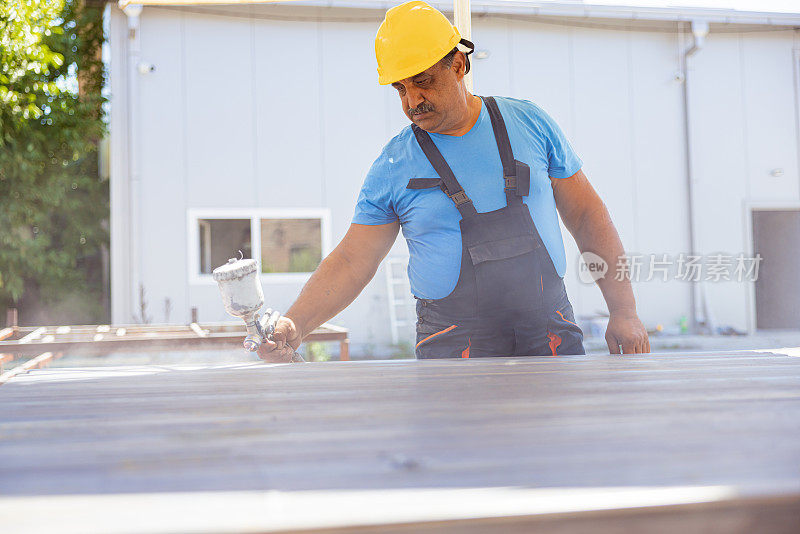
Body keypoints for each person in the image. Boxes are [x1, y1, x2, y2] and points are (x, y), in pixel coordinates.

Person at [258, 0, 649, 361]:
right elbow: (351, 261)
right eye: (400, 89)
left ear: (459, 65)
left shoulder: (530, 123)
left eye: (422, 81)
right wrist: (295, 325)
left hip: (547, 336)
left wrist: (625, 311)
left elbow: (587, 216)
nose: (412, 102)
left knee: (555, 437)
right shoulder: (393, 164)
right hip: (451, 345)